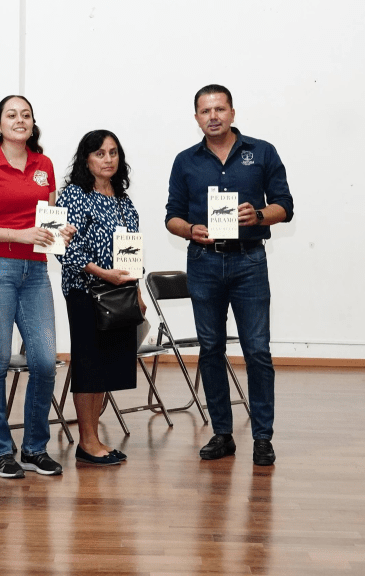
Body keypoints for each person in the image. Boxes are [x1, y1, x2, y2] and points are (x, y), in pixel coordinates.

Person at [165, 84, 294, 467]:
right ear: (196, 118)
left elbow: (285, 205)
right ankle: (222, 433)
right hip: (204, 262)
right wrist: (191, 230)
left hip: (248, 262)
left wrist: (259, 215)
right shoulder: (185, 161)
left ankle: (262, 437)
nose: (213, 116)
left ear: (232, 113)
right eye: (205, 111)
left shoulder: (262, 152)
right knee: (210, 349)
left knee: (257, 350)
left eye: (220, 109)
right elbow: (172, 216)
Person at [0, 94, 76, 479]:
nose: (19, 120)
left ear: (32, 123)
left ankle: (33, 449)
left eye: (25, 114)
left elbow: (47, 221)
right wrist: (18, 234)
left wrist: (59, 232)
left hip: (35, 271)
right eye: (11, 115)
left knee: (44, 362)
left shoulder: (44, 165)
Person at [56, 130, 146, 466]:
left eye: (113, 152)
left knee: (105, 368)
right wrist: (103, 273)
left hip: (118, 294)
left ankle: (93, 438)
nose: (108, 159)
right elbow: (65, 249)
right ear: (86, 159)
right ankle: (87, 442)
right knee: (89, 366)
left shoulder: (123, 199)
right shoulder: (74, 195)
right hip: (85, 292)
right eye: (99, 153)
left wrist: (136, 290)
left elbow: (132, 249)